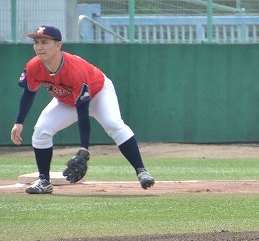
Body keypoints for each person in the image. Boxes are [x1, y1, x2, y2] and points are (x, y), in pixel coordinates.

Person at [10, 25, 155, 194]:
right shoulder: (33, 66)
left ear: (58, 45)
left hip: (99, 94)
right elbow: (29, 92)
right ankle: (44, 180)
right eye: (36, 42)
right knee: (41, 130)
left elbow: (82, 109)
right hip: (66, 100)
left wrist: (84, 148)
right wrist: (19, 122)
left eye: (44, 42)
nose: (39, 47)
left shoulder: (74, 68)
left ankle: (141, 171)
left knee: (113, 124)